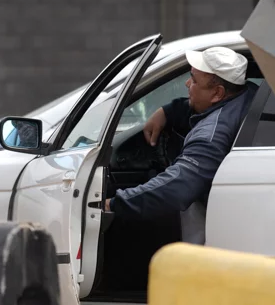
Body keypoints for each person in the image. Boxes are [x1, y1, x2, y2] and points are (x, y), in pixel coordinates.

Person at [104, 46, 258, 245]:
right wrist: (169, 111)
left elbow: (177, 185)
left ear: (217, 93)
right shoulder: (248, 93)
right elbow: (204, 108)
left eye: (194, 80)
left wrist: (115, 204)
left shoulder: (210, 134)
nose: (187, 83)